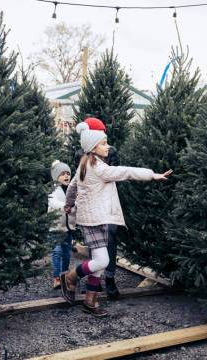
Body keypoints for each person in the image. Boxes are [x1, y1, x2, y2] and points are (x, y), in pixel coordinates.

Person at [60, 122, 172, 317]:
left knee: (98, 261)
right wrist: (152, 175)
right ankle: (70, 277)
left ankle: (90, 301)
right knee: (102, 260)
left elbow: (72, 187)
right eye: (104, 143)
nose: (108, 147)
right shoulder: (99, 168)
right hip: (93, 220)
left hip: (97, 218)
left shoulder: (85, 164)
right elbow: (125, 172)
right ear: (93, 148)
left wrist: (69, 204)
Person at [73, 117, 121, 299]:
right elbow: (78, 181)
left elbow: (117, 175)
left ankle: (109, 278)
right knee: (96, 243)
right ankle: (94, 282)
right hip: (91, 205)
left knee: (110, 237)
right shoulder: (80, 154)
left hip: (108, 203)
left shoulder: (111, 152)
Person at [48, 160, 75, 289]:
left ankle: (65, 275)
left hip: (68, 228)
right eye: (63, 174)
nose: (66, 176)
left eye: (68, 173)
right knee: (57, 252)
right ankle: (57, 277)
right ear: (56, 177)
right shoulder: (53, 190)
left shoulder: (71, 189)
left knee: (67, 253)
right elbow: (53, 202)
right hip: (56, 228)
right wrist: (64, 206)